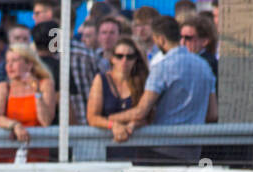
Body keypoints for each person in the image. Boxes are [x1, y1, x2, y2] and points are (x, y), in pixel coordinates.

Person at [116, 15, 215, 160]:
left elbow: (141, 112)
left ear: (160, 39)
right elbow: (212, 113)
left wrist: (111, 118)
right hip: (192, 151)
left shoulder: (162, 67)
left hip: (160, 150)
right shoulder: (204, 66)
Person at [0, 42, 53, 160]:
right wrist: (15, 125)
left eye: (14, 61)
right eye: (7, 61)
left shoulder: (45, 84)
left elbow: (45, 121)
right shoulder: (4, 87)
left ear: (29, 64)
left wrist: (36, 92)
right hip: (8, 154)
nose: (9, 66)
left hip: (37, 153)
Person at [88, 36, 148, 142]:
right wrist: (113, 125)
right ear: (112, 58)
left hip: (134, 144)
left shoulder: (141, 80)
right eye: (120, 56)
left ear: (135, 59)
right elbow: (92, 117)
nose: (124, 60)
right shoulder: (101, 80)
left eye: (129, 57)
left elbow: (147, 116)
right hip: (103, 145)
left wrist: (132, 125)